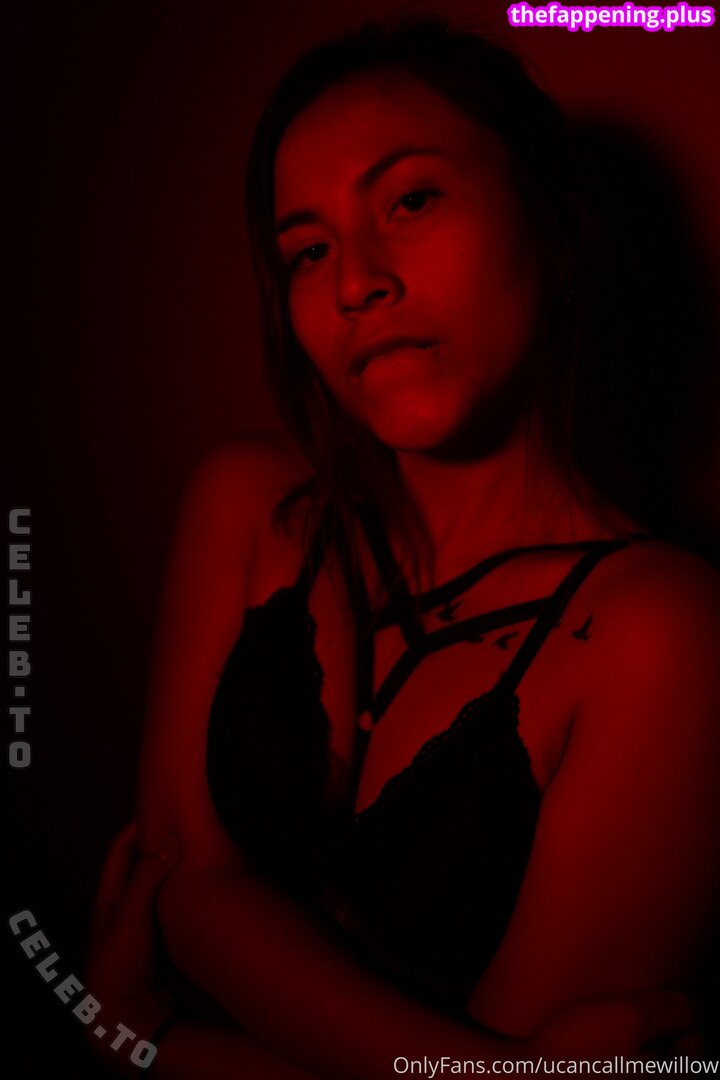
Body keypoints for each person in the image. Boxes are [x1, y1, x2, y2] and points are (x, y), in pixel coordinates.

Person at [85, 14, 720, 1078]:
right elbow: (184, 883)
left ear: (558, 233)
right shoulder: (249, 501)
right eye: (308, 249)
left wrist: (145, 1041)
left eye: (412, 201)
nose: (354, 283)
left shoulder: (669, 633)